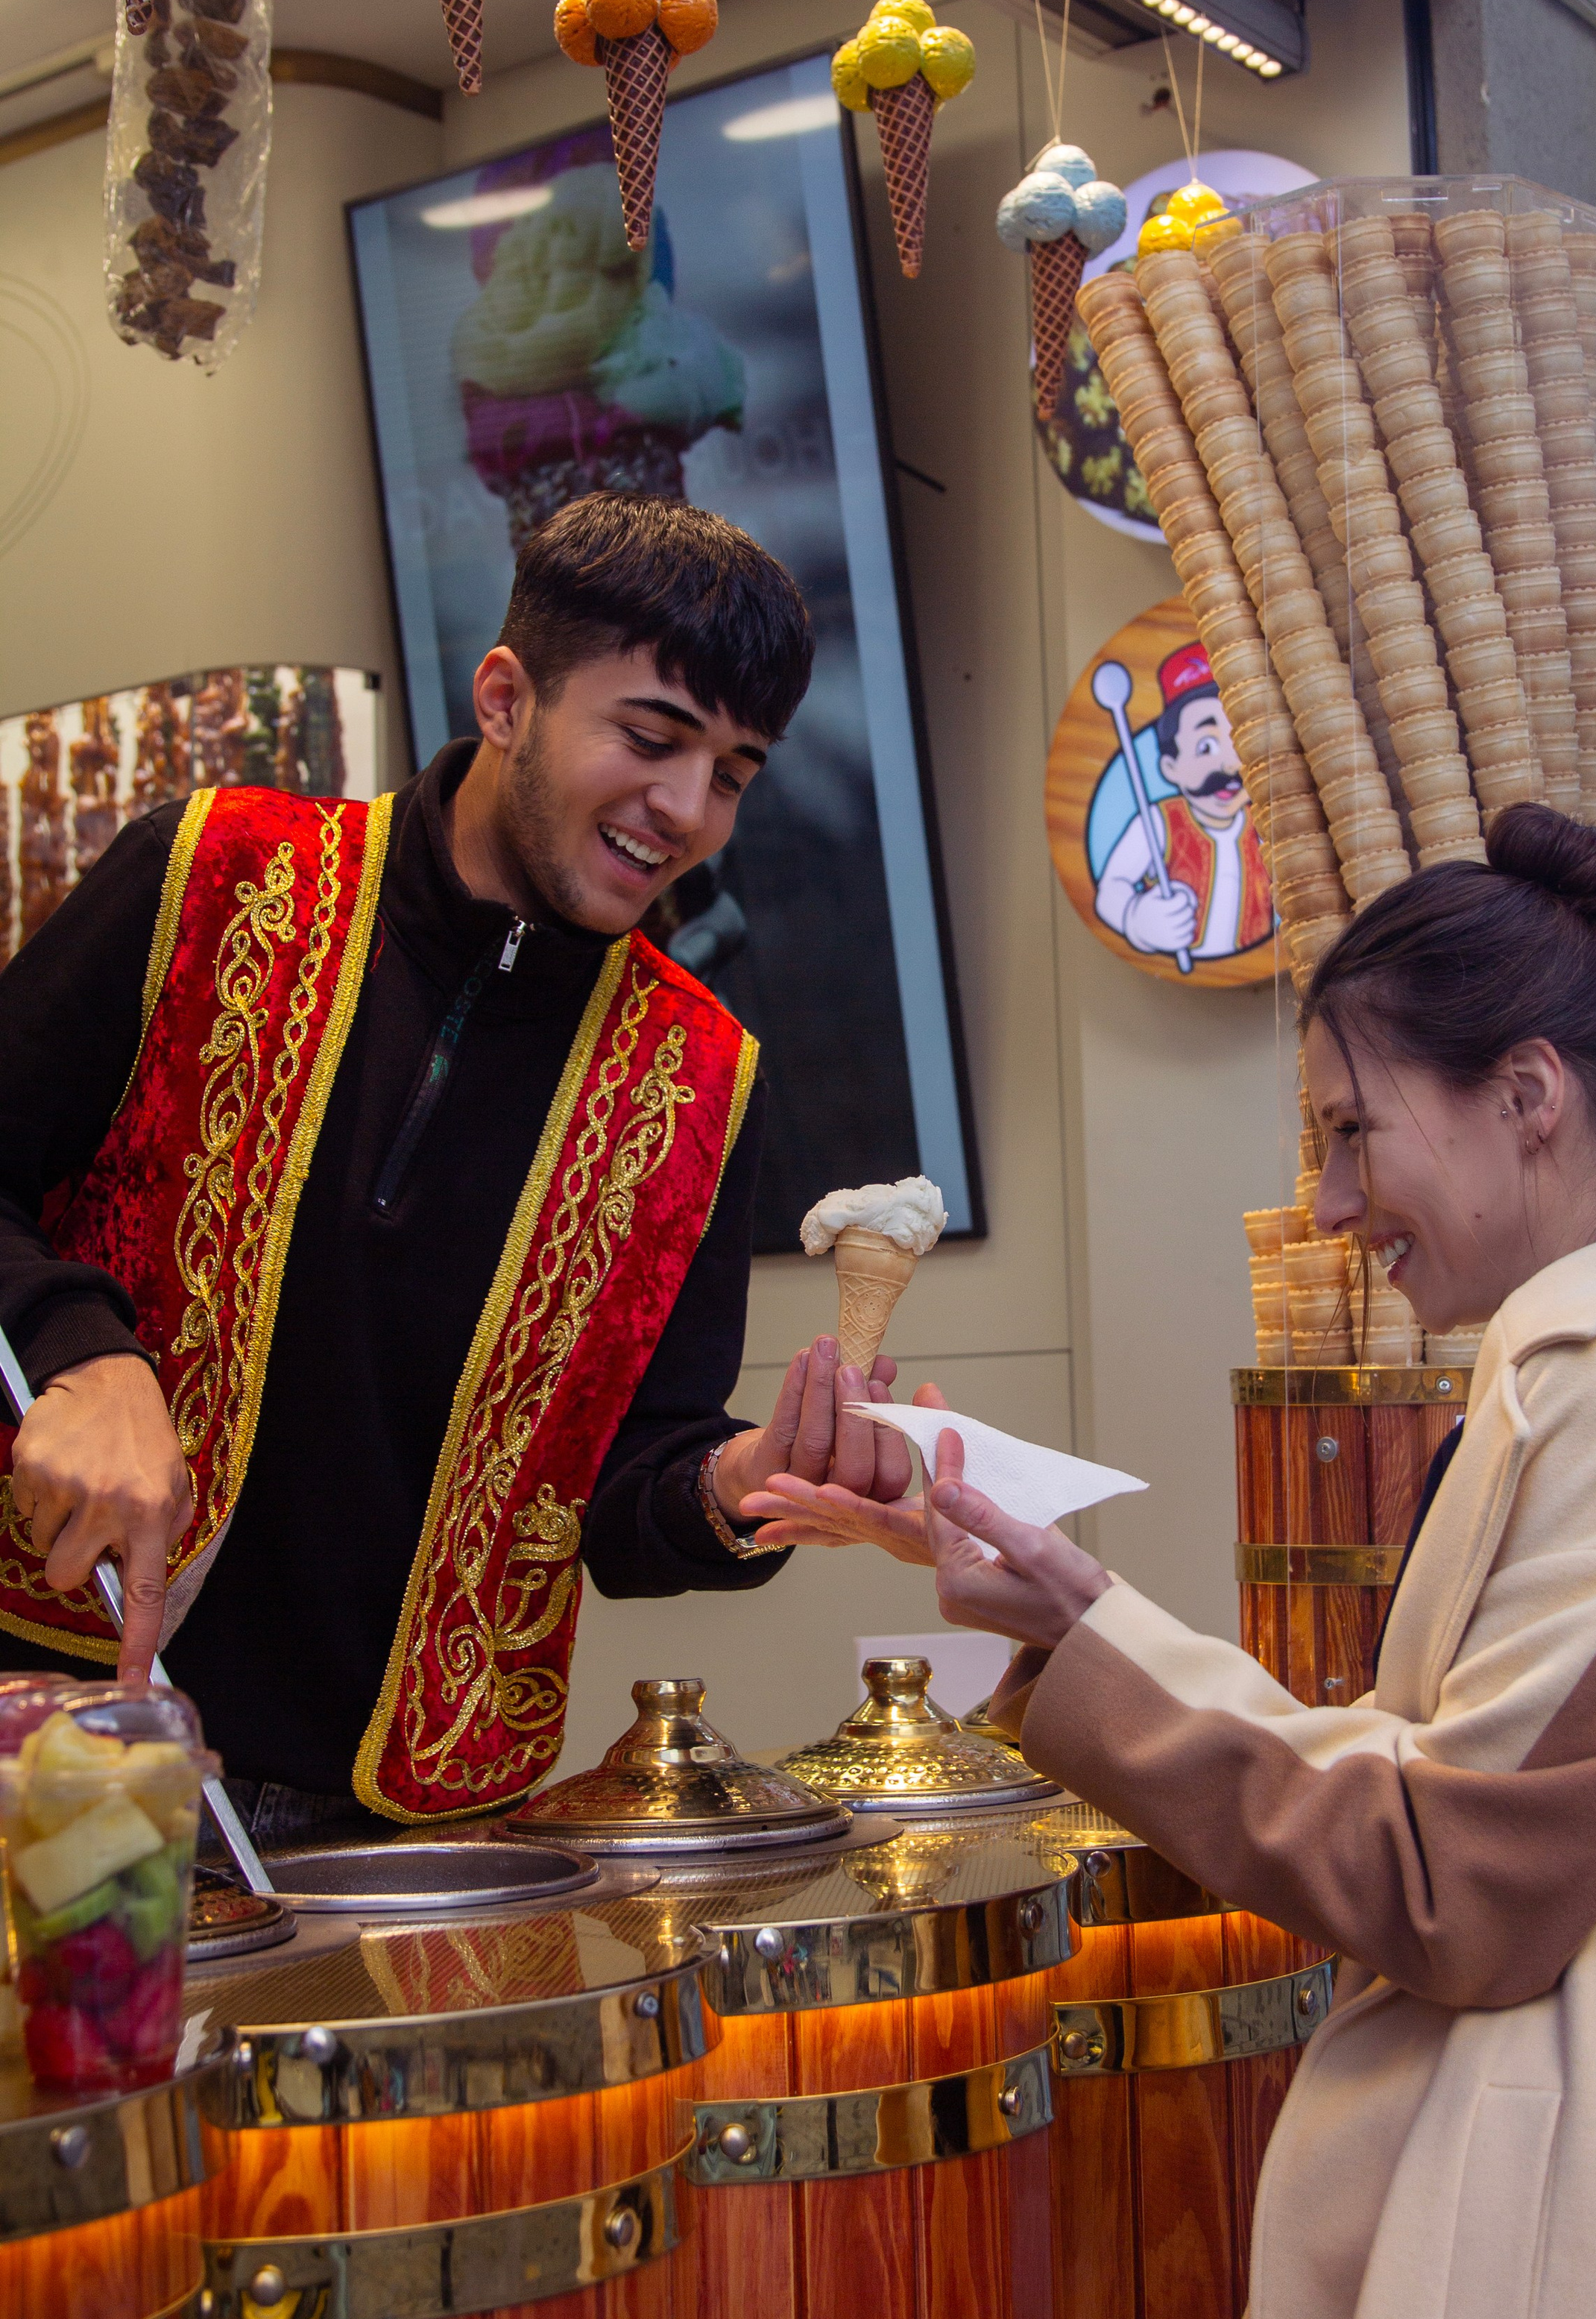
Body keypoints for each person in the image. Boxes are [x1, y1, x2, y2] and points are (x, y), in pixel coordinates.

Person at [749, 804, 1596, 2319]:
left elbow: (1450, 1867)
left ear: (1526, 1098)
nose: (1327, 1201)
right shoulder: (1584, 1375)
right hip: (1577, 2207)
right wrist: (1064, 1607)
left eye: (1352, 1130)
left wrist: (1086, 1630)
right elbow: (1428, 1780)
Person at [0, 494, 919, 1837]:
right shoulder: (211, 879)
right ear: (506, 697)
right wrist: (81, 1347)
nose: (685, 810)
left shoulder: (702, 1079)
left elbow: (616, 1491)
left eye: (732, 772)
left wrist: (740, 1486)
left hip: (407, 1824)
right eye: (651, 739)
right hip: (54, 1732)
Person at [1094, 642, 1273, 961]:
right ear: (1170, 767)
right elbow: (1112, 888)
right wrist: (1136, 920)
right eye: (1206, 747)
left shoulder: (1266, 825)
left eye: (1240, 743)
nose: (1229, 766)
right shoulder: (1157, 824)